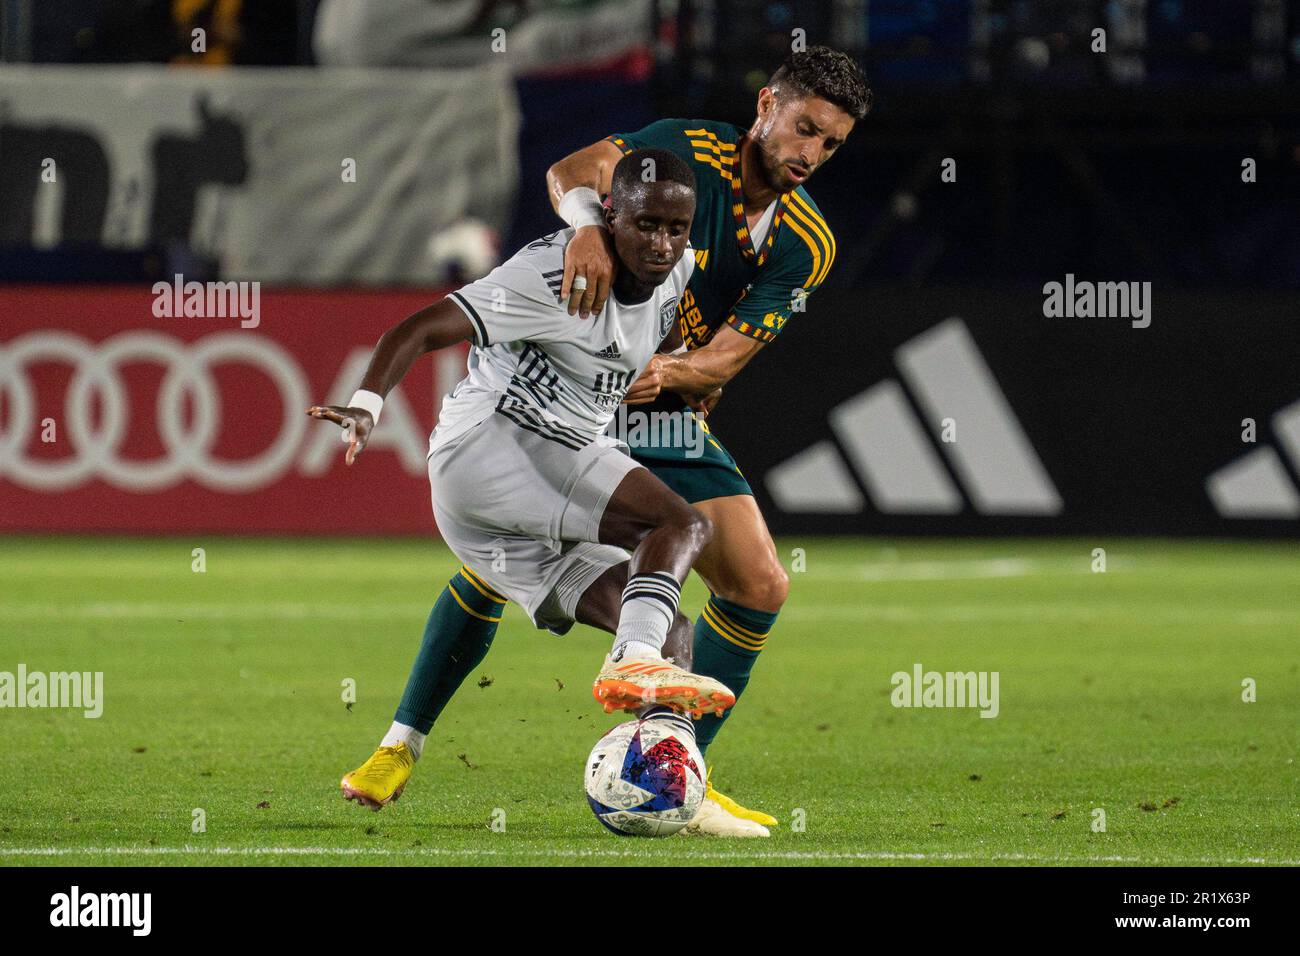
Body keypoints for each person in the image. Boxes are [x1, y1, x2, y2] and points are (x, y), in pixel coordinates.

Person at [344, 47, 872, 836]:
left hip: (661, 404)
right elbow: (569, 174)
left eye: (830, 144)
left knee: (760, 583)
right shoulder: (688, 151)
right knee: (494, 562)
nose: (810, 154)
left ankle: (677, 769)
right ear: (766, 105)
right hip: (576, 399)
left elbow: (731, 354)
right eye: (803, 129)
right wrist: (589, 228)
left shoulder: (808, 240)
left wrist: (676, 370)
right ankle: (400, 741)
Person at [314, 149, 734, 810]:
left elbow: (646, 349)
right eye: (645, 224)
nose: (661, 243)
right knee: (678, 525)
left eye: (675, 229)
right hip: (489, 449)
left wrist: (682, 377)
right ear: (611, 217)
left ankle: (674, 789)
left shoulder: (677, 273)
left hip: (525, 485)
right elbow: (420, 328)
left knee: (669, 630)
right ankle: (630, 664)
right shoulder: (553, 271)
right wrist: (366, 405)